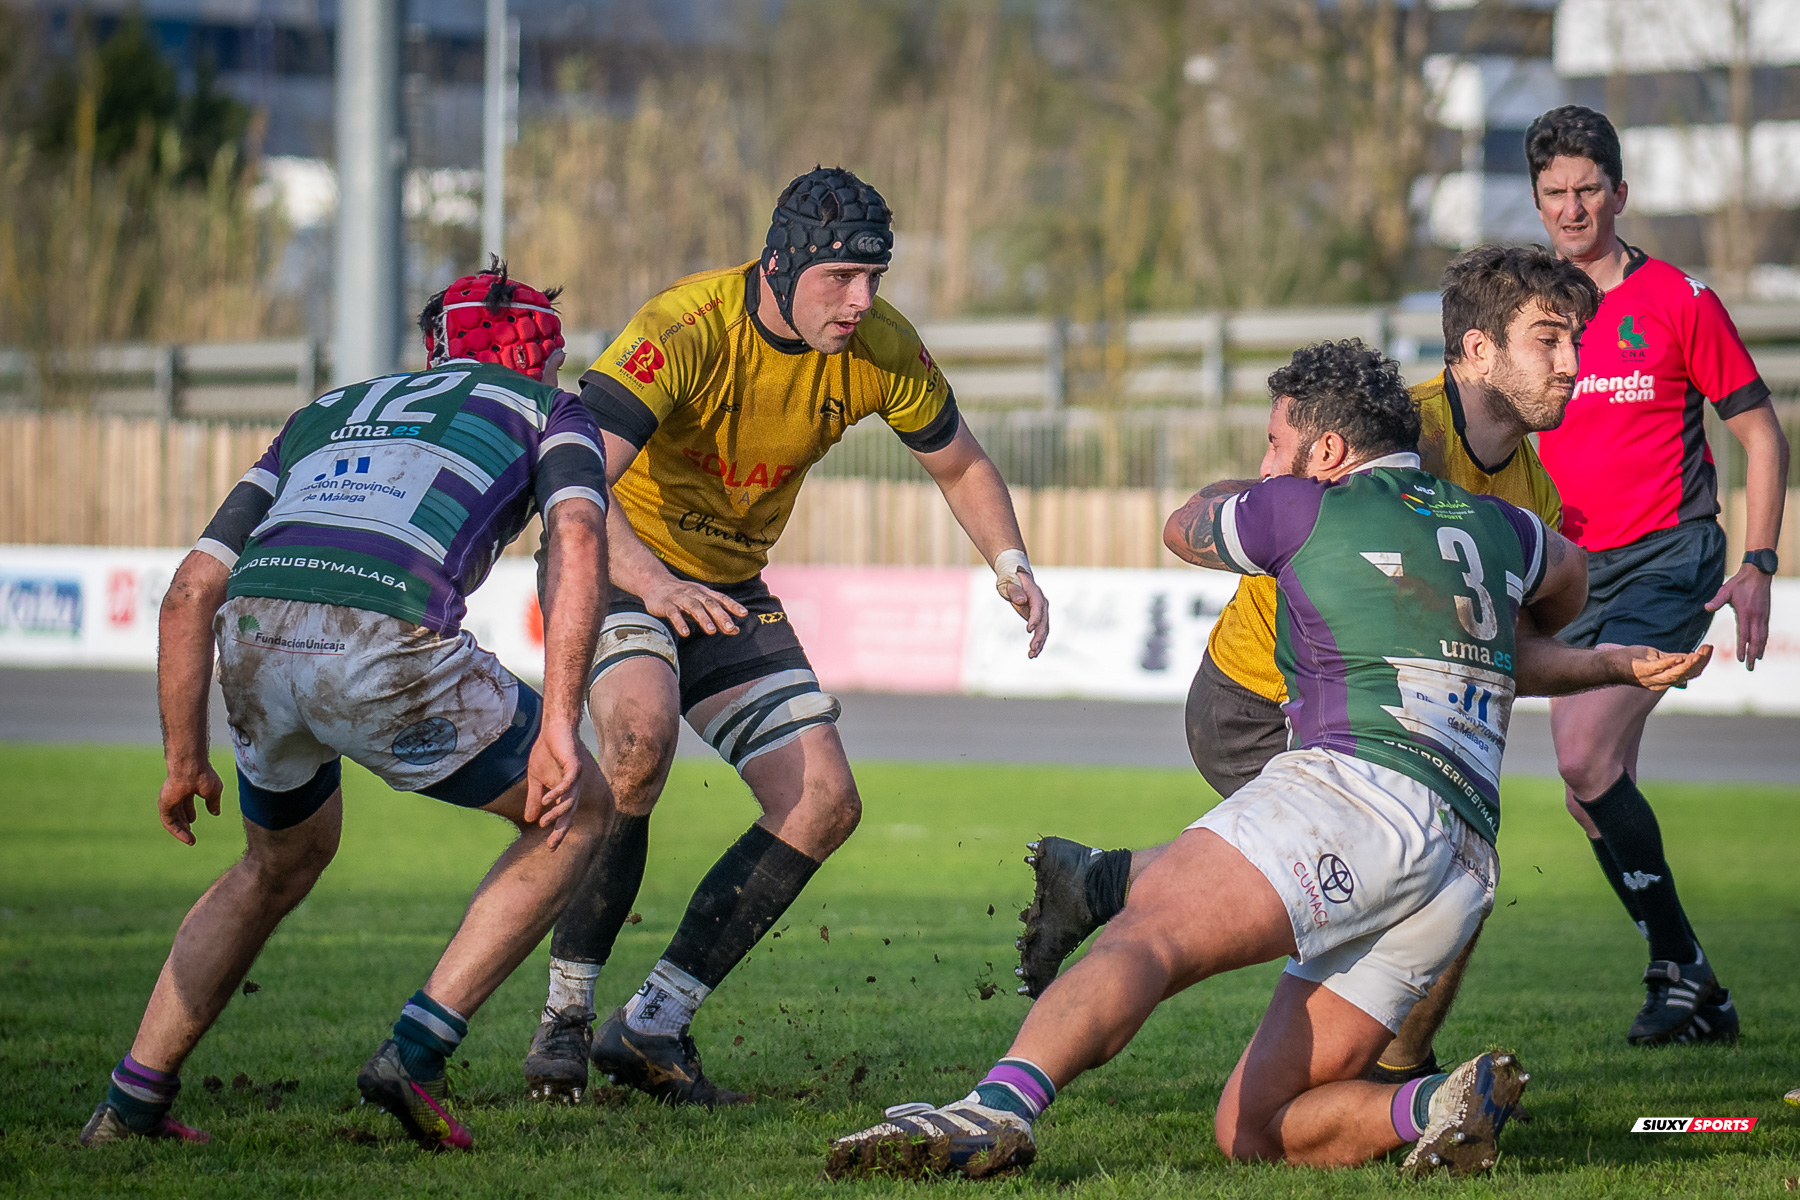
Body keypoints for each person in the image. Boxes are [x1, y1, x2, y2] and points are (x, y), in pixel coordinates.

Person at [826, 340, 1710, 1181]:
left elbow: (1185, 525)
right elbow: (1571, 576)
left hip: (1354, 790)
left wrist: (1269, 487)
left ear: (1327, 448)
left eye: (1277, 440)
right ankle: (1435, 1103)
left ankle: (994, 1109)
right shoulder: (1503, 525)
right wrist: (1579, 653)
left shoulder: (1303, 504)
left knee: (1151, 930)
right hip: (1464, 859)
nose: (1267, 456)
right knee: (1252, 1129)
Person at [522, 166, 1050, 1106]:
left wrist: (1011, 563)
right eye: (840, 278)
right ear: (780, 263)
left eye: (875, 280)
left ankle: (651, 1025)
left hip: (727, 582)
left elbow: (961, 464)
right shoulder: (684, 328)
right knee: (637, 745)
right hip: (613, 563)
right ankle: (564, 1017)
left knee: (824, 800)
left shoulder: (881, 347)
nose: (861, 301)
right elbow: (575, 486)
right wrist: (655, 582)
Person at [1015, 244, 1599, 1085]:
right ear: (1479, 350)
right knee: (1386, 878)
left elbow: (1492, 648)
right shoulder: (1411, 432)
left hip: (1376, 716)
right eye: (1550, 339)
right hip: (1264, 694)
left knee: (1423, 879)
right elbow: (1273, 486)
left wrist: (1608, 664)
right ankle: (1386, 1086)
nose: (1572, 364)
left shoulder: (1531, 496)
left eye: (1576, 341)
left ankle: (1102, 883)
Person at [79, 264, 612, 1151]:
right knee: (579, 807)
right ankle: (416, 1053)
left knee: (277, 862)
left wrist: (183, 759)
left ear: (434, 349)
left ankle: (129, 1109)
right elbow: (582, 540)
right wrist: (560, 724)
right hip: (382, 633)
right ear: (541, 355)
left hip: (252, 635)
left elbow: (190, 591)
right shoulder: (547, 411)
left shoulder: (325, 411)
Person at [1526, 105, 1788, 1045]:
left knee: (1584, 759)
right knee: (1590, 790)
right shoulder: (1530, 316)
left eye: (1588, 189)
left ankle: (1678, 966)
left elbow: (1763, 435)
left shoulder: (1679, 300)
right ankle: (1694, 987)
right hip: (1568, 576)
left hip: (1670, 559)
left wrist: (1758, 563)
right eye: (1554, 193)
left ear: (1620, 193)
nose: (1572, 208)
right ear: (1537, 201)